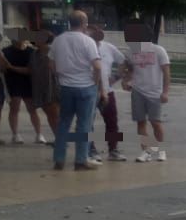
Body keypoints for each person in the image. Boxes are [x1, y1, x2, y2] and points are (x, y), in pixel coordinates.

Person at [48, 11, 105, 171]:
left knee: (63, 123)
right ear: (84, 23)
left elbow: (51, 65)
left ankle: (59, 159)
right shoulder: (88, 41)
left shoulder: (58, 41)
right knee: (83, 125)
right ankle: (80, 160)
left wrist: (60, 78)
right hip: (86, 87)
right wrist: (95, 82)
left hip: (66, 87)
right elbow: (98, 66)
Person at [123, 22, 171, 162]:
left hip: (155, 92)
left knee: (155, 122)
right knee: (141, 122)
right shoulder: (130, 52)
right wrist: (126, 80)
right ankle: (147, 151)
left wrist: (165, 92)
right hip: (138, 91)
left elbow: (167, 73)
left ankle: (160, 150)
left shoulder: (158, 50)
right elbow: (129, 69)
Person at [86, 25, 128, 162]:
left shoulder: (108, 47)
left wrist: (116, 77)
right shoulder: (83, 47)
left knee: (112, 122)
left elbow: (123, 61)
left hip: (108, 91)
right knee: (88, 123)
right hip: (88, 91)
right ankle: (91, 150)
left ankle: (113, 150)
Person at [27, 29, 61, 145]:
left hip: (53, 85)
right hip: (40, 87)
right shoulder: (34, 53)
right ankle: (58, 138)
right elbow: (30, 69)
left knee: (55, 113)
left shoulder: (53, 51)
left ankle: (61, 138)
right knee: (49, 113)